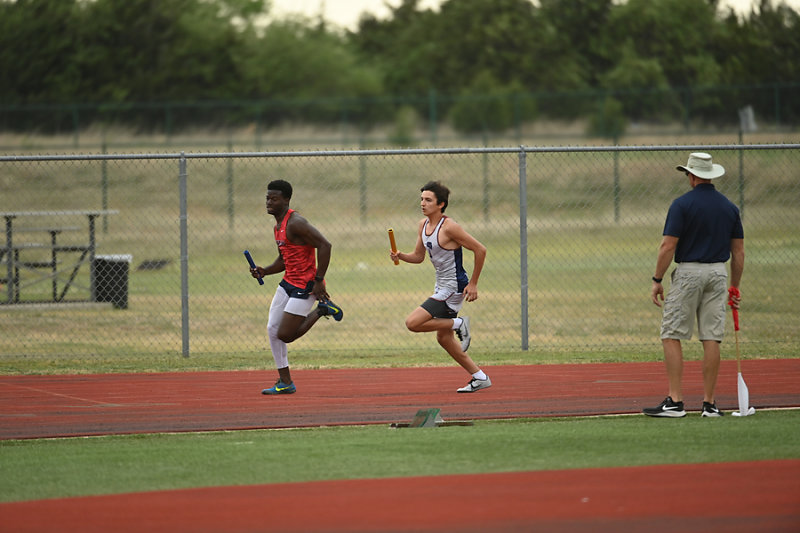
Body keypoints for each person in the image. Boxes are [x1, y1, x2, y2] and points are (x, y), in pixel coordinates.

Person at [644, 153, 744, 418]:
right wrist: (734, 286)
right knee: (711, 337)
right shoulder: (730, 207)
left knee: (671, 333)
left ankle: (675, 401)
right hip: (718, 273)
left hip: (689, 272)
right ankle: (709, 404)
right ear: (710, 175)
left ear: (692, 176)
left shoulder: (681, 205)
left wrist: (657, 279)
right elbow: (739, 252)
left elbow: (668, 246)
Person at [389, 181, 491, 393]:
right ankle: (480, 377)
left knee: (412, 322)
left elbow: (480, 250)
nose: (422, 203)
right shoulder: (423, 225)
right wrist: (401, 256)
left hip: (454, 286)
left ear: (441, 204)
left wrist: (473, 283)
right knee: (444, 338)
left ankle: (459, 323)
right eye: (421, 199)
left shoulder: (450, 227)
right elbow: (418, 257)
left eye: (428, 200)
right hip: (441, 285)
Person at [249, 179, 343, 395]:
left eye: (274, 199)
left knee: (286, 335)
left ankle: (322, 309)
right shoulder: (278, 227)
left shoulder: (296, 223)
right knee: (272, 329)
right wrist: (264, 271)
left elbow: (325, 245)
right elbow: (284, 260)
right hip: (288, 283)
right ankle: (285, 382)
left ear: (286, 200)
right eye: (267, 198)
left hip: (307, 285)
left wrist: (319, 280)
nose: (269, 202)